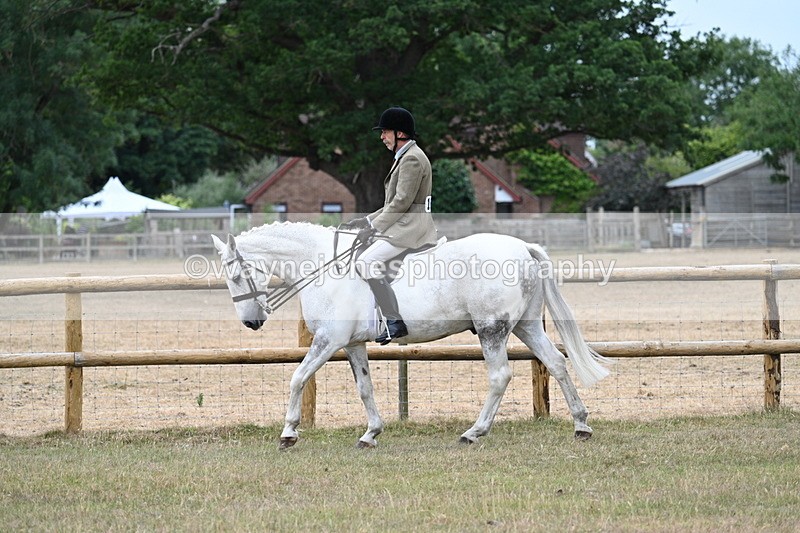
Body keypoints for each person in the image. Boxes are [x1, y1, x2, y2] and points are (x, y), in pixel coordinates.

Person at [343, 106, 438, 344]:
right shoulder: (406, 157)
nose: (382, 137)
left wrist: (374, 228)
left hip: (410, 229)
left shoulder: (412, 159)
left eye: (385, 132)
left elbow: (401, 203)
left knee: (365, 262)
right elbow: (392, 204)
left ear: (400, 133)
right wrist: (366, 221)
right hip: (404, 224)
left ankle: (394, 320)